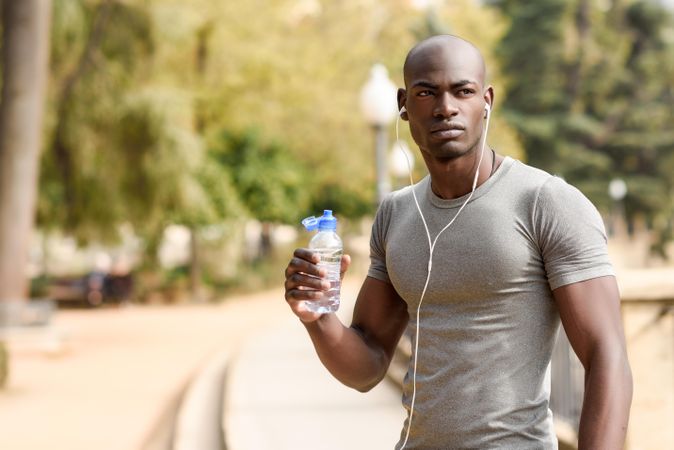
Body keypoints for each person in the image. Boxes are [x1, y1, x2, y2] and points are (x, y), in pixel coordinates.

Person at [284, 34, 632, 449]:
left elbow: (606, 356)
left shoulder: (545, 202)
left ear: (486, 100)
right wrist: (317, 316)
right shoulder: (396, 213)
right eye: (426, 92)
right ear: (403, 104)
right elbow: (367, 367)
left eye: (462, 91)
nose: (445, 107)